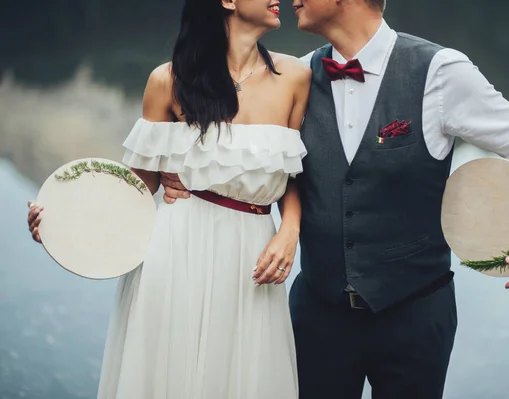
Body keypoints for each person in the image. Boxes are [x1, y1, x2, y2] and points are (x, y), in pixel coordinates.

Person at [158, 0, 509, 398]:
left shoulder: (439, 71)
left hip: (416, 314)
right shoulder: (298, 76)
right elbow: (250, 154)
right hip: (317, 313)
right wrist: (176, 172)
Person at [26, 0, 311, 398]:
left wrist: (289, 232)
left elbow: (296, 172)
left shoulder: (296, 76)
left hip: (254, 257)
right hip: (177, 251)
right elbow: (137, 190)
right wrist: (63, 222)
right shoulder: (168, 80)